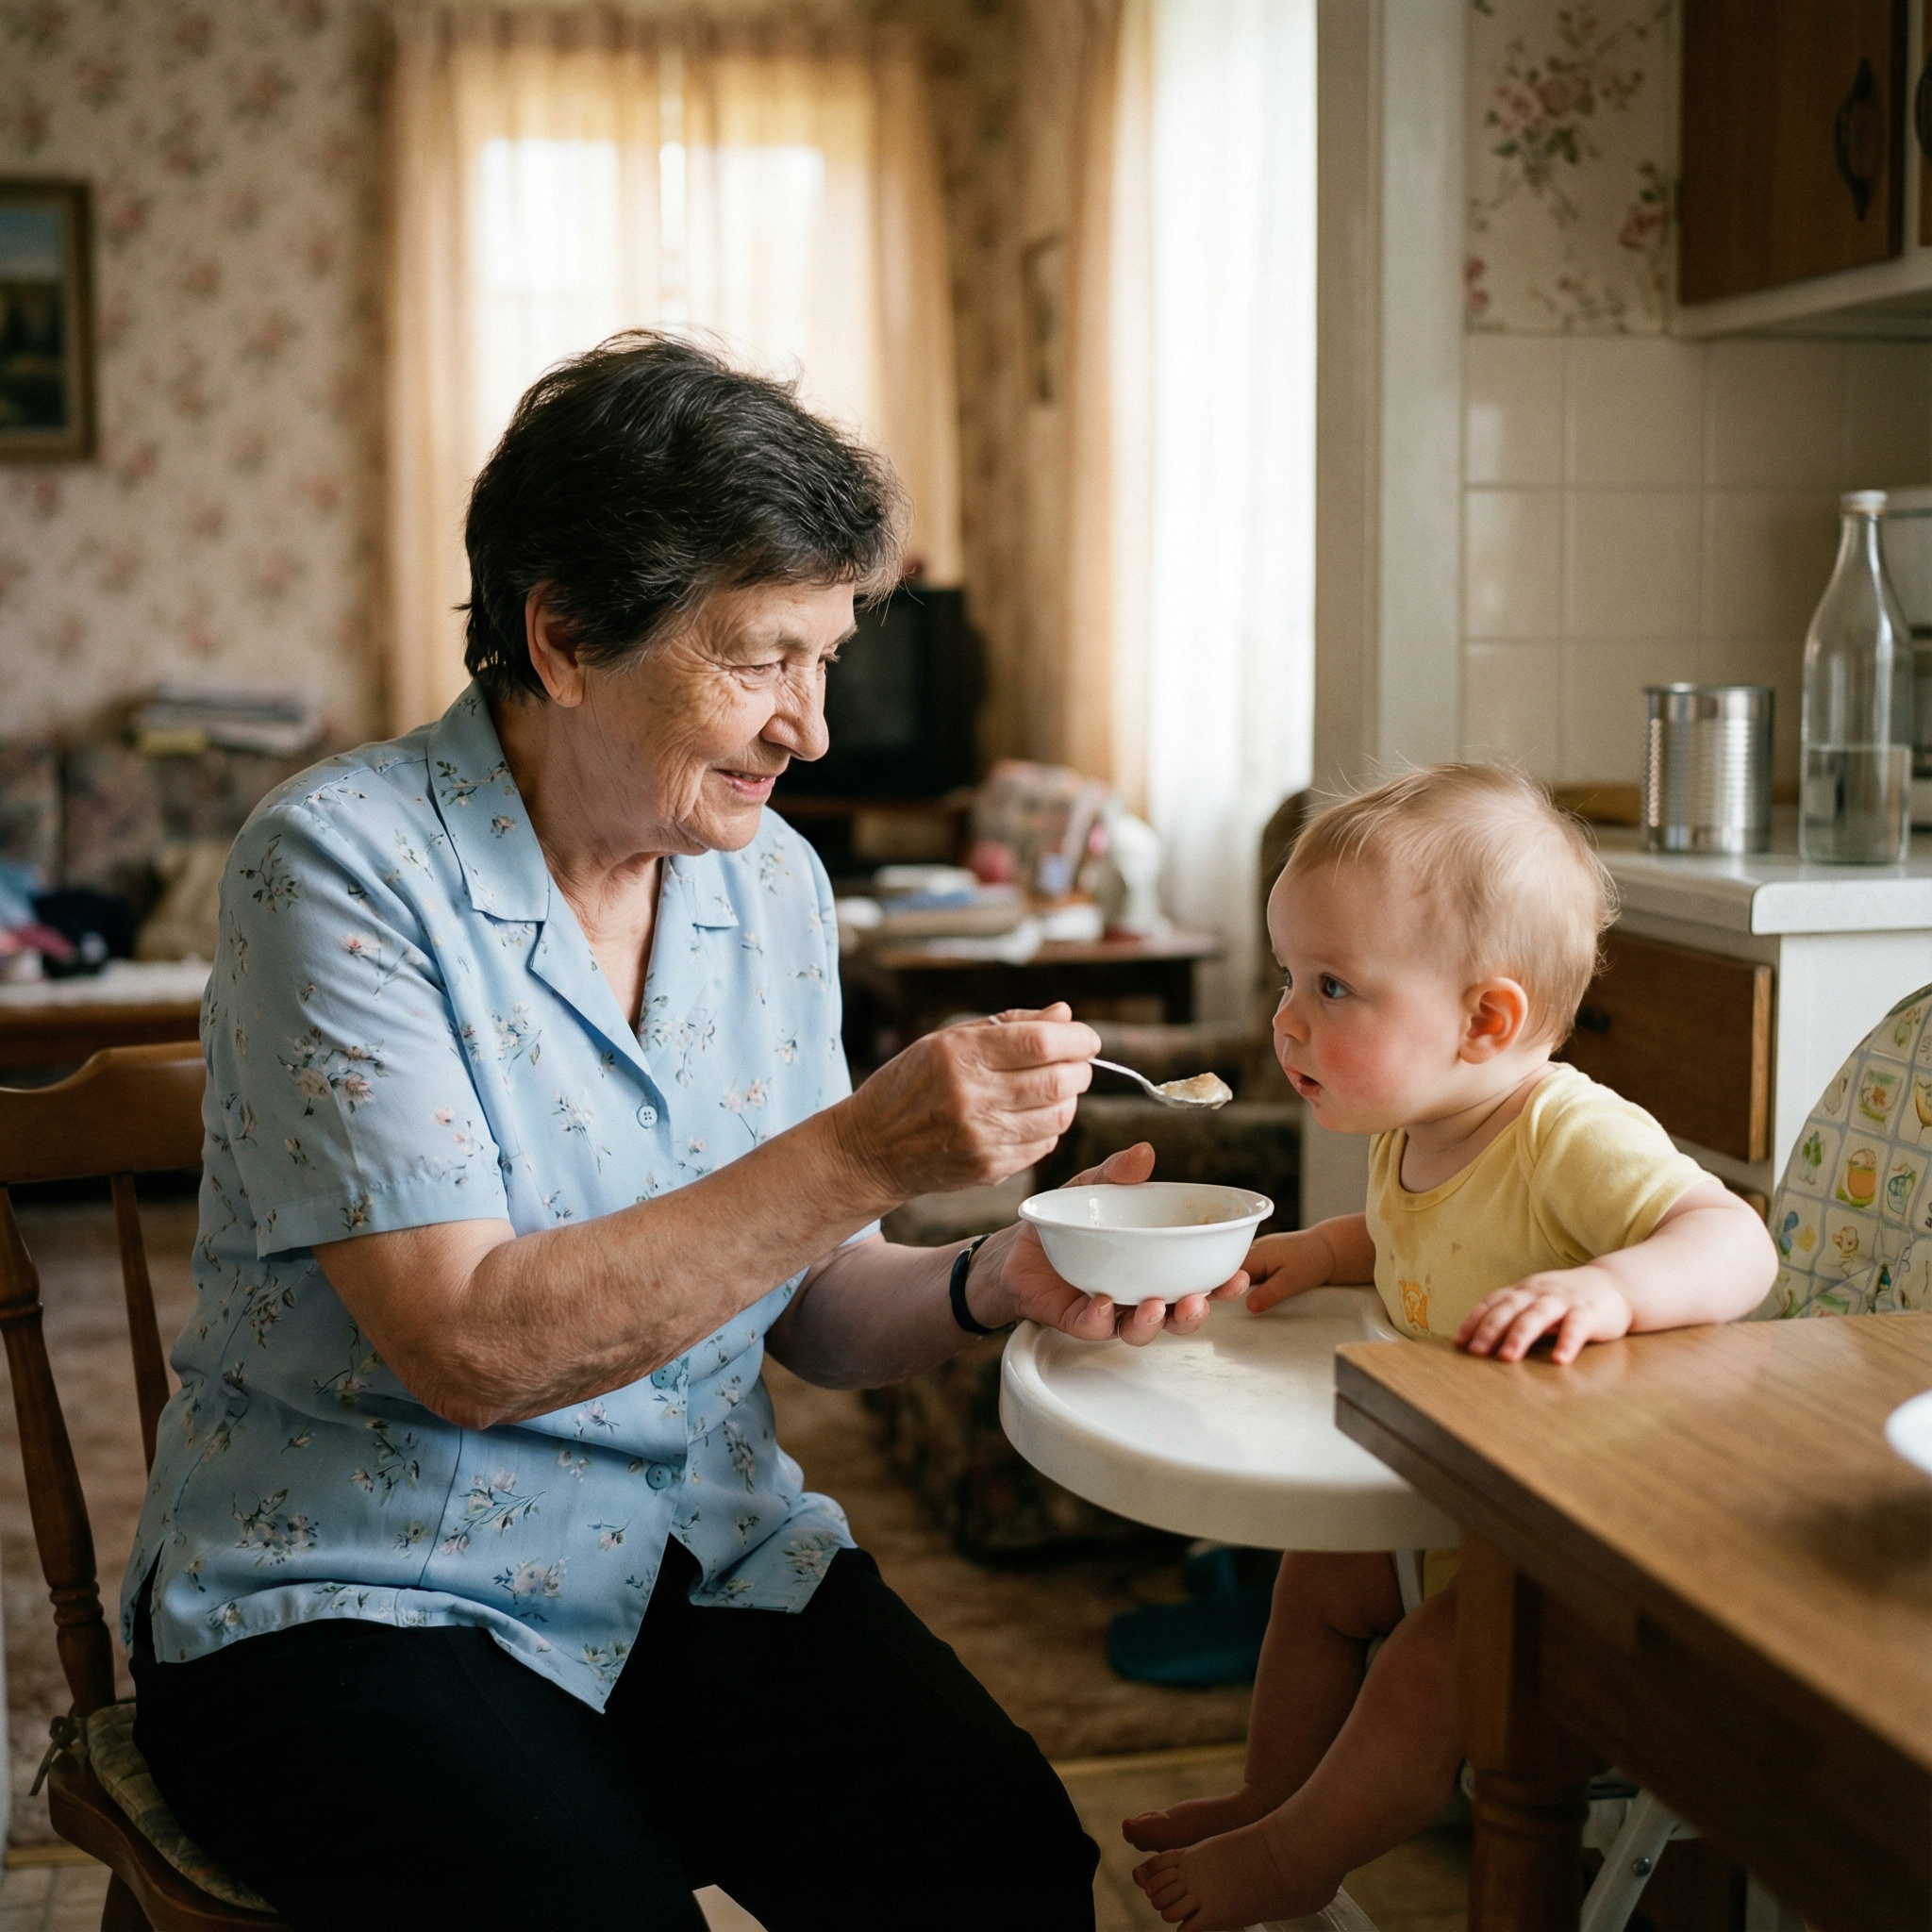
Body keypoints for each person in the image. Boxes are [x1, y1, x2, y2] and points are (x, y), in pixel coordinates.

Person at [123, 333, 1241, 1932]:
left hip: (686, 1550)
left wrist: (996, 1276)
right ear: (563, 636)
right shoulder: (339, 868)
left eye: (828, 656)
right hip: (352, 1589)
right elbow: (467, 1347)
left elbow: (816, 1307)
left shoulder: (765, 882)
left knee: (993, 1855)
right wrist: (863, 1144)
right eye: (759, 656)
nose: (812, 727)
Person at [1126, 763, 1778, 1931]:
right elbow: (1427, 1246)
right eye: (1287, 977)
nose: (1286, 1019)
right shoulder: (1419, 1126)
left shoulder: (1565, 1130)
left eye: (1332, 986)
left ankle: (1298, 1856)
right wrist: (1328, 1251)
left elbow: (1735, 1243)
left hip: (1599, 1551)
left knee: (1429, 1667)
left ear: (1486, 1020)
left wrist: (1611, 1287)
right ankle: (1272, 1795)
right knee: (1317, 1575)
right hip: (1481, 1508)